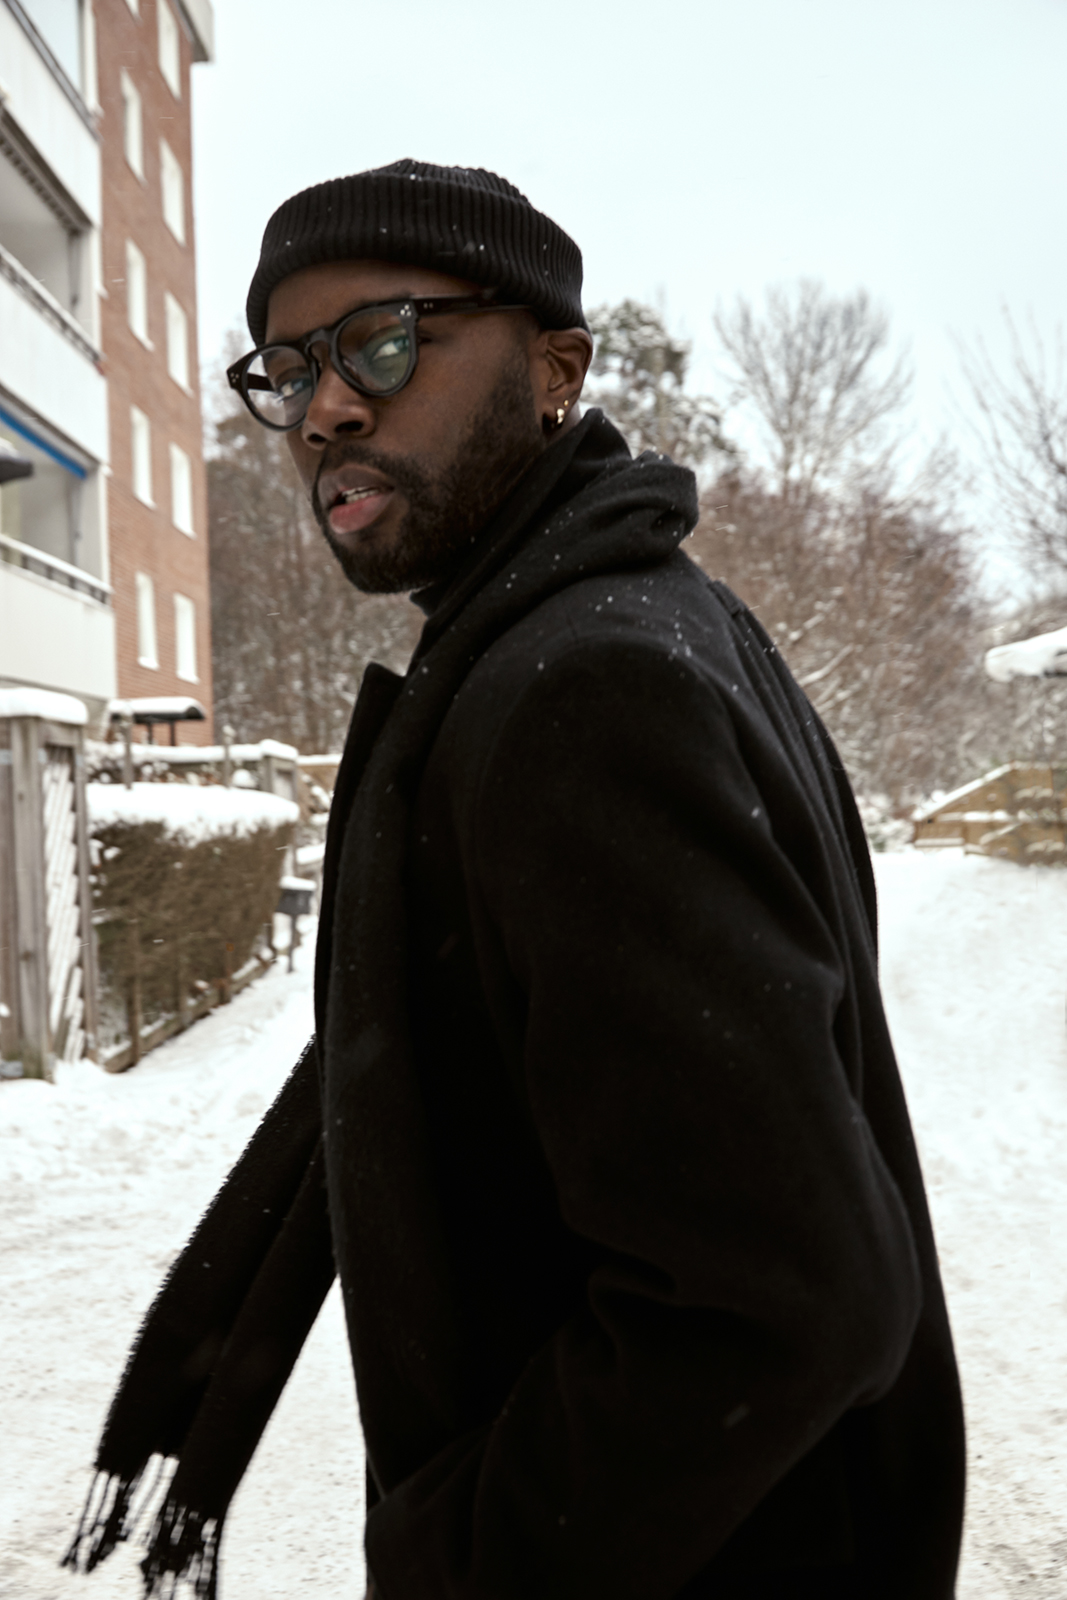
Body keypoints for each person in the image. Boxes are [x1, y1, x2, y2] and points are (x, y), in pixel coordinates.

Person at [67, 161, 964, 1600]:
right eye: (287, 373)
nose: (324, 413)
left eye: (382, 343)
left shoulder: (585, 686)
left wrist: (464, 1559)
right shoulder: (635, 623)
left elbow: (779, 1302)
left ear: (556, 368)